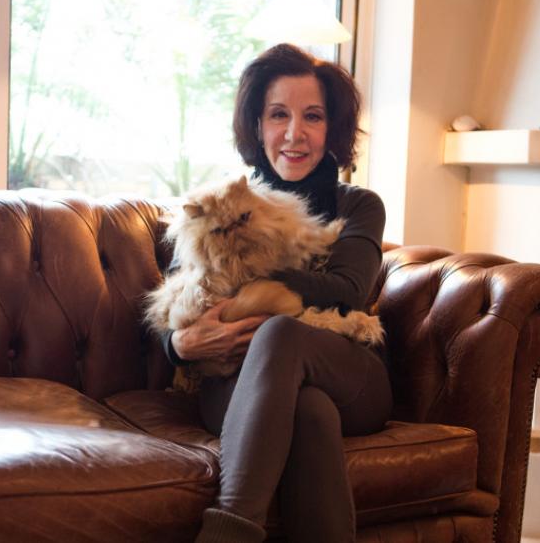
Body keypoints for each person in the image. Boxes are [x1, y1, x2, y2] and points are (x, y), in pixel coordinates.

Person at [161, 43, 392, 543]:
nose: (294, 133)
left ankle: (227, 533)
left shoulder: (359, 206)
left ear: (333, 128)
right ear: (256, 125)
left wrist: (246, 269)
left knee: (281, 332)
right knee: (309, 411)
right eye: (278, 115)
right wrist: (180, 345)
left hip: (348, 374)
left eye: (313, 116)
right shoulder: (215, 209)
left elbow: (348, 293)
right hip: (237, 385)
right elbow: (178, 303)